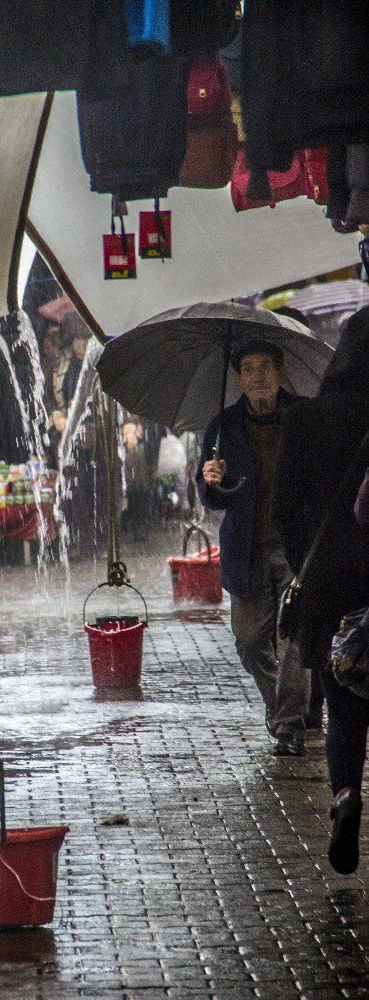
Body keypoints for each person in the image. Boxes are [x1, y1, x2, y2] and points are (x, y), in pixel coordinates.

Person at [272, 308, 369, 874]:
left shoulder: (305, 420)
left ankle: (344, 796)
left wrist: (307, 559)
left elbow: (285, 507)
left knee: (341, 699)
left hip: (329, 579)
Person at [196, 339, 310, 756]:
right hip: (248, 548)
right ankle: (280, 704)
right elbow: (211, 499)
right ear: (239, 378)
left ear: (281, 372)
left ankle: (290, 722)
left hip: (298, 548)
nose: (258, 375)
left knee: (294, 637)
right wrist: (211, 480)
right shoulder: (224, 426)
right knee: (248, 641)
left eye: (266, 366)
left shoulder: (304, 417)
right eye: (248, 368)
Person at [62, 333, 90, 408]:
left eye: (85, 338)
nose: (82, 342)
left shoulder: (97, 364)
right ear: (72, 341)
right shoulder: (61, 362)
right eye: (78, 338)